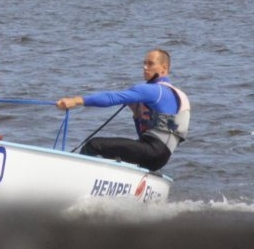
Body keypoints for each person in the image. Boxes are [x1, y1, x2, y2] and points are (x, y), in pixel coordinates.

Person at [56, 49, 190, 171]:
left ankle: (78, 178)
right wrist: (137, 115)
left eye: (150, 64)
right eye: (144, 63)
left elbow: (112, 98)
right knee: (114, 151)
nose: (145, 67)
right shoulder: (177, 94)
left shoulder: (154, 90)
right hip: (160, 157)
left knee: (93, 146)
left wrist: (75, 101)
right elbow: (146, 134)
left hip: (153, 150)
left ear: (164, 68)